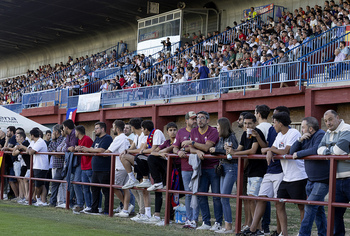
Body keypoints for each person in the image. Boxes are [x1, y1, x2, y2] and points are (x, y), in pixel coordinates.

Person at [263, 112, 306, 236]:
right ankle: (284, 233)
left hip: (299, 176)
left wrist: (270, 150)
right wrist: (270, 150)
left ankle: (303, 232)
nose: (273, 125)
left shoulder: (293, 133)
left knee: (301, 206)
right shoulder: (279, 135)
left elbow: (286, 151)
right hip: (287, 177)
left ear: (280, 124)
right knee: (278, 202)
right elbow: (273, 148)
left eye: (274, 123)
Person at [227, 113, 267, 233]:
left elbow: (252, 151)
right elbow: (240, 148)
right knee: (249, 199)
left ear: (255, 123)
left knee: (254, 199)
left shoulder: (257, 132)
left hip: (258, 170)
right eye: (245, 123)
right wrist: (230, 149)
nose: (247, 125)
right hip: (250, 170)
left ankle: (258, 228)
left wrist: (234, 153)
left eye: (250, 123)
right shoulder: (245, 134)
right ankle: (253, 227)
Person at [290, 117, 327, 236]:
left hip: (322, 180)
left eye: (303, 127)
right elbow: (291, 152)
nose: (302, 130)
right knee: (318, 211)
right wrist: (300, 140)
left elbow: (316, 150)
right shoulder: (305, 138)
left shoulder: (321, 134)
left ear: (310, 129)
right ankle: (323, 233)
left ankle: (303, 234)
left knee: (310, 207)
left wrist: (299, 154)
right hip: (311, 180)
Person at [317, 110, 350, 236]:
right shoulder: (327, 133)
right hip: (335, 179)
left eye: (330, 119)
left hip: (349, 177)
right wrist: (330, 151)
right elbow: (319, 149)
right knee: (335, 213)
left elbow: (338, 150)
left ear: (338, 117)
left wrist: (328, 150)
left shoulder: (347, 129)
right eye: (325, 121)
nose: (328, 123)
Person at [189, 111, 222, 231]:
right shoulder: (193, 131)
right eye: (198, 118)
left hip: (213, 167)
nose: (199, 120)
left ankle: (218, 222)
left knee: (216, 196)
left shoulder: (213, 131)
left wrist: (192, 144)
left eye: (202, 117)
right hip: (200, 168)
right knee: (201, 195)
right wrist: (196, 150)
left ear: (207, 120)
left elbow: (207, 147)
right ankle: (206, 222)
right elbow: (190, 149)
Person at [209, 117, 238, 234]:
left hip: (231, 168)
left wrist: (215, 149)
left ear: (223, 127)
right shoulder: (221, 138)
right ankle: (227, 225)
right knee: (222, 197)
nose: (217, 128)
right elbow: (221, 150)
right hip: (223, 167)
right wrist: (216, 149)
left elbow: (232, 152)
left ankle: (228, 226)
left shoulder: (232, 137)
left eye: (218, 126)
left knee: (224, 197)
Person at [145, 122, 178, 225]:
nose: (173, 132)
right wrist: (161, 153)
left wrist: (165, 152)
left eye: (174, 129)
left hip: (176, 169)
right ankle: (157, 215)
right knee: (151, 158)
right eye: (170, 130)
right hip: (164, 169)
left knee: (171, 193)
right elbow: (153, 152)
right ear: (167, 132)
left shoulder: (179, 141)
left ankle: (170, 218)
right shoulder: (167, 142)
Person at [173, 111, 199, 229]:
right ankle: (189, 219)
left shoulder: (199, 130)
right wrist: (178, 152)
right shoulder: (181, 132)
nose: (194, 121)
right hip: (185, 167)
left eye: (195, 119)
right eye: (192, 119)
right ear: (186, 120)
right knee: (188, 194)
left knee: (197, 193)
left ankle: (195, 219)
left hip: (198, 166)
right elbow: (174, 148)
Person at [81, 122, 113, 215]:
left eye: (97, 128)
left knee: (106, 191)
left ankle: (107, 210)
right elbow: (92, 148)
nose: (95, 130)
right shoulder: (97, 138)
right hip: (95, 168)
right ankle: (94, 209)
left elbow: (101, 150)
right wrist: (84, 149)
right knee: (94, 189)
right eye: (95, 128)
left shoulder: (107, 138)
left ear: (103, 129)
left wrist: (88, 149)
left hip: (104, 168)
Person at [105, 120, 132, 218]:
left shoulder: (119, 138)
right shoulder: (126, 138)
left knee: (114, 187)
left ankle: (127, 207)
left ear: (116, 128)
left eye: (113, 127)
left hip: (120, 167)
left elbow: (108, 151)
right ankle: (125, 209)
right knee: (125, 188)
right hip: (126, 167)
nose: (112, 129)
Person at [120, 118, 146, 220]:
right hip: (137, 162)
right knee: (135, 190)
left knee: (142, 190)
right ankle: (141, 211)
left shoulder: (143, 136)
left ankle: (143, 213)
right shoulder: (136, 136)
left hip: (143, 163)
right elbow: (133, 147)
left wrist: (128, 152)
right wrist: (127, 150)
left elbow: (140, 149)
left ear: (133, 127)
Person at [62, 119, 83, 213]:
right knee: (71, 182)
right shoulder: (68, 135)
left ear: (66, 127)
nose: (62, 129)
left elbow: (72, 146)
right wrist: (69, 148)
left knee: (76, 183)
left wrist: (70, 148)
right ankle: (71, 202)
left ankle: (80, 204)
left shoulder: (74, 133)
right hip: (72, 162)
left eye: (63, 127)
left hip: (78, 162)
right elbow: (67, 147)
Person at [26, 128, 49, 206]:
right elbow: (28, 150)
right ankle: (42, 201)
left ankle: (39, 200)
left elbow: (31, 152)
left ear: (32, 135)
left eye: (30, 135)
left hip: (41, 166)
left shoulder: (40, 141)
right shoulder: (34, 142)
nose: (29, 136)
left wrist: (30, 150)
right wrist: (29, 149)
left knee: (38, 185)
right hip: (37, 166)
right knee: (40, 184)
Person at [74, 125, 94, 213]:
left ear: (78, 132)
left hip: (89, 166)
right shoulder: (79, 140)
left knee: (94, 188)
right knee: (85, 188)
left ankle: (96, 206)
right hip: (83, 166)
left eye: (75, 131)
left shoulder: (87, 139)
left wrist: (82, 149)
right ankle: (88, 206)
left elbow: (91, 151)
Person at [48, 125, 66, 207]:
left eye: (53, 131)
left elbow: (58, 150)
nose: (52, 133)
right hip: (54, 164)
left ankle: (62, 201)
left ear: (57, 132)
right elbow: (49, 148)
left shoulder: (62, 139)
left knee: (62, 184)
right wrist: (54, 151)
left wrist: (54, 151)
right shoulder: (54, 140)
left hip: (61, 164)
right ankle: (59, 201)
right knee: (56, 183)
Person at [11, 131, 30, 203]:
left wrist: (16, 148)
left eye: (17, 137)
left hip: (29, 166)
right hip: (25, 165)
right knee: (22, 179)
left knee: (26, 180)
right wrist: (16, 147)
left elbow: (14, 153)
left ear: (22, 138)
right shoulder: (22, 145)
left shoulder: (25, 144)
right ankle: (24, 197)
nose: (16, 138)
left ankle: (27, 198)